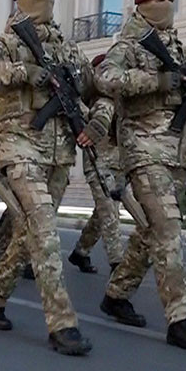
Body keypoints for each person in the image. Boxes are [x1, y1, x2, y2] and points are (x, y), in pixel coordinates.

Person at [0, 0, 92, 356]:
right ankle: (62, 323)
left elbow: (92, 85)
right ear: (21, 0)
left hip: (59, 151)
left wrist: (94, 118)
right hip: (18, 144)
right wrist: (23, 72)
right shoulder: (7, 43)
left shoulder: (67, 48)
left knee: (31, 233)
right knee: (46, 232)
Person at [96, 0, 186, 350]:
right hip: (144, 147)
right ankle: (181, 318)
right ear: (143, 6)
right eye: (160, 0)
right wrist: (159, 80)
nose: (167, 4)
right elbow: (105, 78)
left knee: (151, 230)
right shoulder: (129, 45)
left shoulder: (179, 49)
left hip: (178, 154)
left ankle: (117, 294)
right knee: (167, 228)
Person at [68, 53, 125, 276]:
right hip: (98, 161)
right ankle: (117, 263)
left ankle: (81, 251)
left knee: (103, 213)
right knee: (109, 211)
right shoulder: (97, 101)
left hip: (119, 162)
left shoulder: (122, 99)